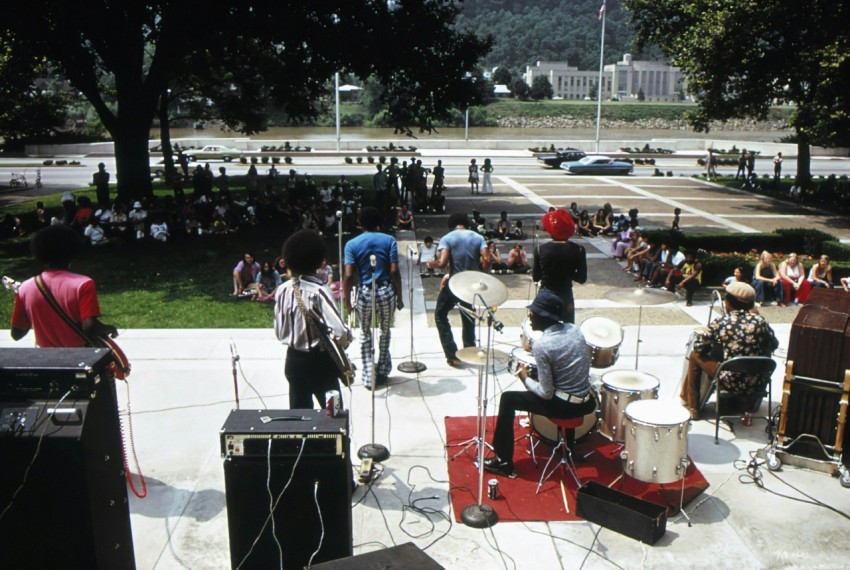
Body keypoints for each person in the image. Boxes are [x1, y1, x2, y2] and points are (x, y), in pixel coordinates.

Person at [483, 289, 595, 477]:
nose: (530, 317)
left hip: (565, 407)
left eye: (533, 313)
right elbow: (563, 355)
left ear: (545, 316)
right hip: (586, 402)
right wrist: (536, 349)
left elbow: (546, 393)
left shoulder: (543, 346)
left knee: (508, 399)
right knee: (564, 385)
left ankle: (503, 461)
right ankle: (568, 449)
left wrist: (524, 377)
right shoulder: (574, 330)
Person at [274, 229, 352, 409]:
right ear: (317, 260)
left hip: (293, 360)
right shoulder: (319, 291)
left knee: (299, 415)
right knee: (333, 414)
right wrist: (345, 341)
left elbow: (279, 332)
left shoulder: (283, 290)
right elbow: (340, 332)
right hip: (319, 362)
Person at [680, 282, 779, 419]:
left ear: (729, 303)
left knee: (694, 355)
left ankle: (694, 408)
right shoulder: (761, 321)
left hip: (730, 382)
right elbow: (774, 345)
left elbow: (699, 347)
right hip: (757, 382)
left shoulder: (721, 322)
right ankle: (750, 404)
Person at [11, 224, 118, 348]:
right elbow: (90, 327)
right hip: (79, 355)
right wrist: (108, 328)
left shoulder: (25, 287)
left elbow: (17, 334)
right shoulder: (83, 284)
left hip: (45, 357)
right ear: (73, 252)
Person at [343, 207, 404, 389]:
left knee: (364, 332)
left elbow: (348, 275)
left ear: (360, 223)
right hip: (385, 290)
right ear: (378, 222)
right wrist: (399, 297)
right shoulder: (389, 240)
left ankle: (369, 376)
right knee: (385, 330)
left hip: (365, 291)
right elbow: (394, 271)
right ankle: (383, 370)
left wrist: (347, 302)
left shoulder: (352, 244)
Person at [426, 212, 491, 366]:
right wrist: (483, 275)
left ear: (451, 225)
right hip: (471, 284)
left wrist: (430, 263)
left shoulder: (447, 238)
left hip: (455, 283)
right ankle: (469, 350)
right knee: (468, 316)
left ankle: (452, 355)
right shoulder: (478, 238)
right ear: (466, 224)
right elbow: (487, 259)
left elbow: (442, 263)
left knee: (440, 314)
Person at [533, 209, 587, 324]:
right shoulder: (579, 250)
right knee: (567, 329)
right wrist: (569, 273)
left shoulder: (540, 249)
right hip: (565, 295)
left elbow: (536, 277)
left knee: (542, 330)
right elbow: (582, 279)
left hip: (546, 295)